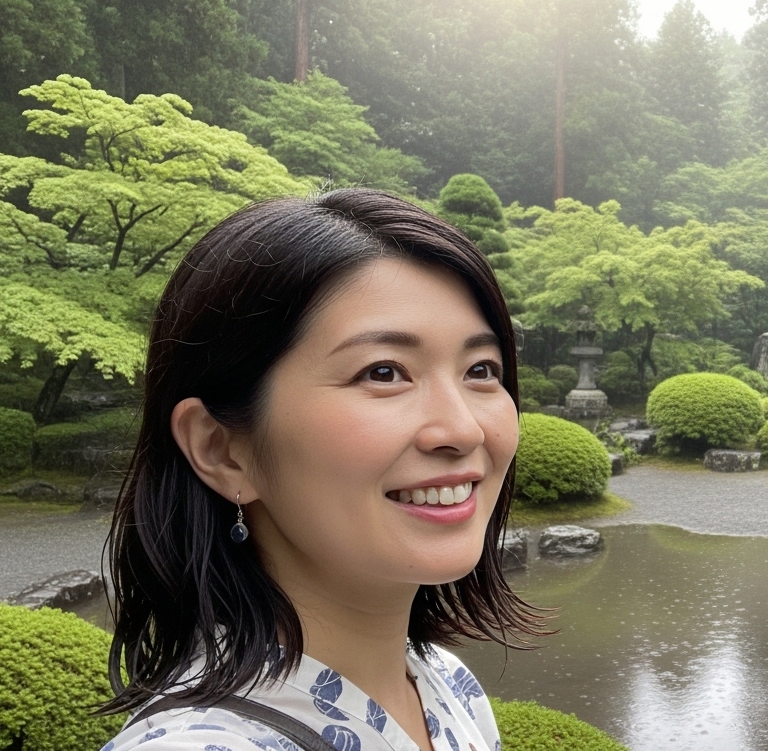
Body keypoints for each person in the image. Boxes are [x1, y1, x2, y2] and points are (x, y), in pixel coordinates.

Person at [100, 189, 545, 751]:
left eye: (480, 369)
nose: (463, 430)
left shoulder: (448, 685)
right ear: (222, 450)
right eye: (383, 372)